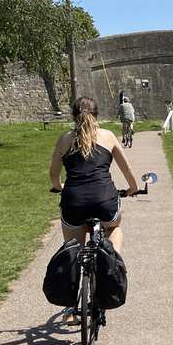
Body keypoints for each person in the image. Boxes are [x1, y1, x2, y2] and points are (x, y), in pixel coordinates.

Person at [49, 97, 138, 254]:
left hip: (74, 202)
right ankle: (112, 261)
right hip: (104, 199)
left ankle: (76, 272)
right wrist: (133, 188)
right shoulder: (108, 136)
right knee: (113, 229)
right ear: (96, 115)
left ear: (74, 116)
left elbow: (54, 173)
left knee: (74, 248)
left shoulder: (64, 139)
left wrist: (58, 186)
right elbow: (126, 168)